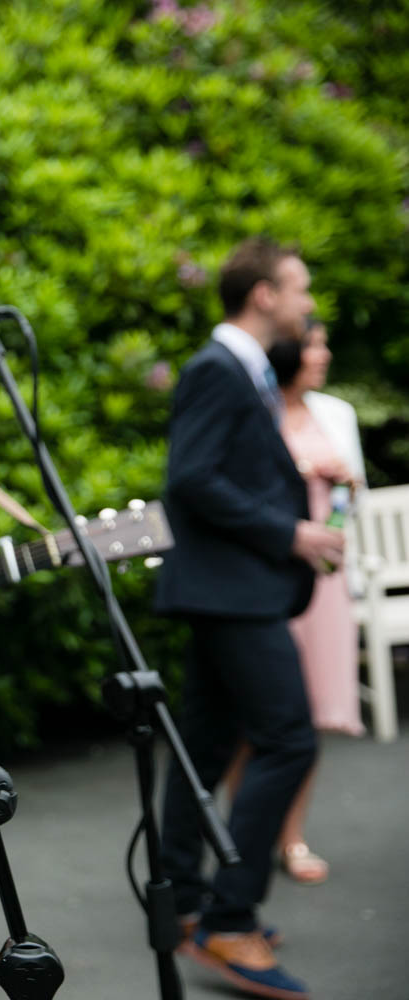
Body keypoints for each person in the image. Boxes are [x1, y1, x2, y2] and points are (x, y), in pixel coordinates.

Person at [155, 237, 341, 1000]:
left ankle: (181, 902)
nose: (305, 303)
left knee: (202, 743)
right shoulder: (218, 369)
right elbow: (190, 478)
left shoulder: (245, 370)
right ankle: (230, 920)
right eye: (297, 289)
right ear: (262, 294)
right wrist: (289, 531)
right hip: (230, 592)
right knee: (289, 740)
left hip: (226, 591)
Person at [235, 319, 366, 885]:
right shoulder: (255, 410)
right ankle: (244, 837)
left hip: (326, 580)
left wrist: (344, 482)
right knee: (254, 713)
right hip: (267, 579)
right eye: (313, 343)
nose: (323, 353)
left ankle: (292, 838)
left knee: (305, 718)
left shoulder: (338, 413)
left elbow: (350, 500)